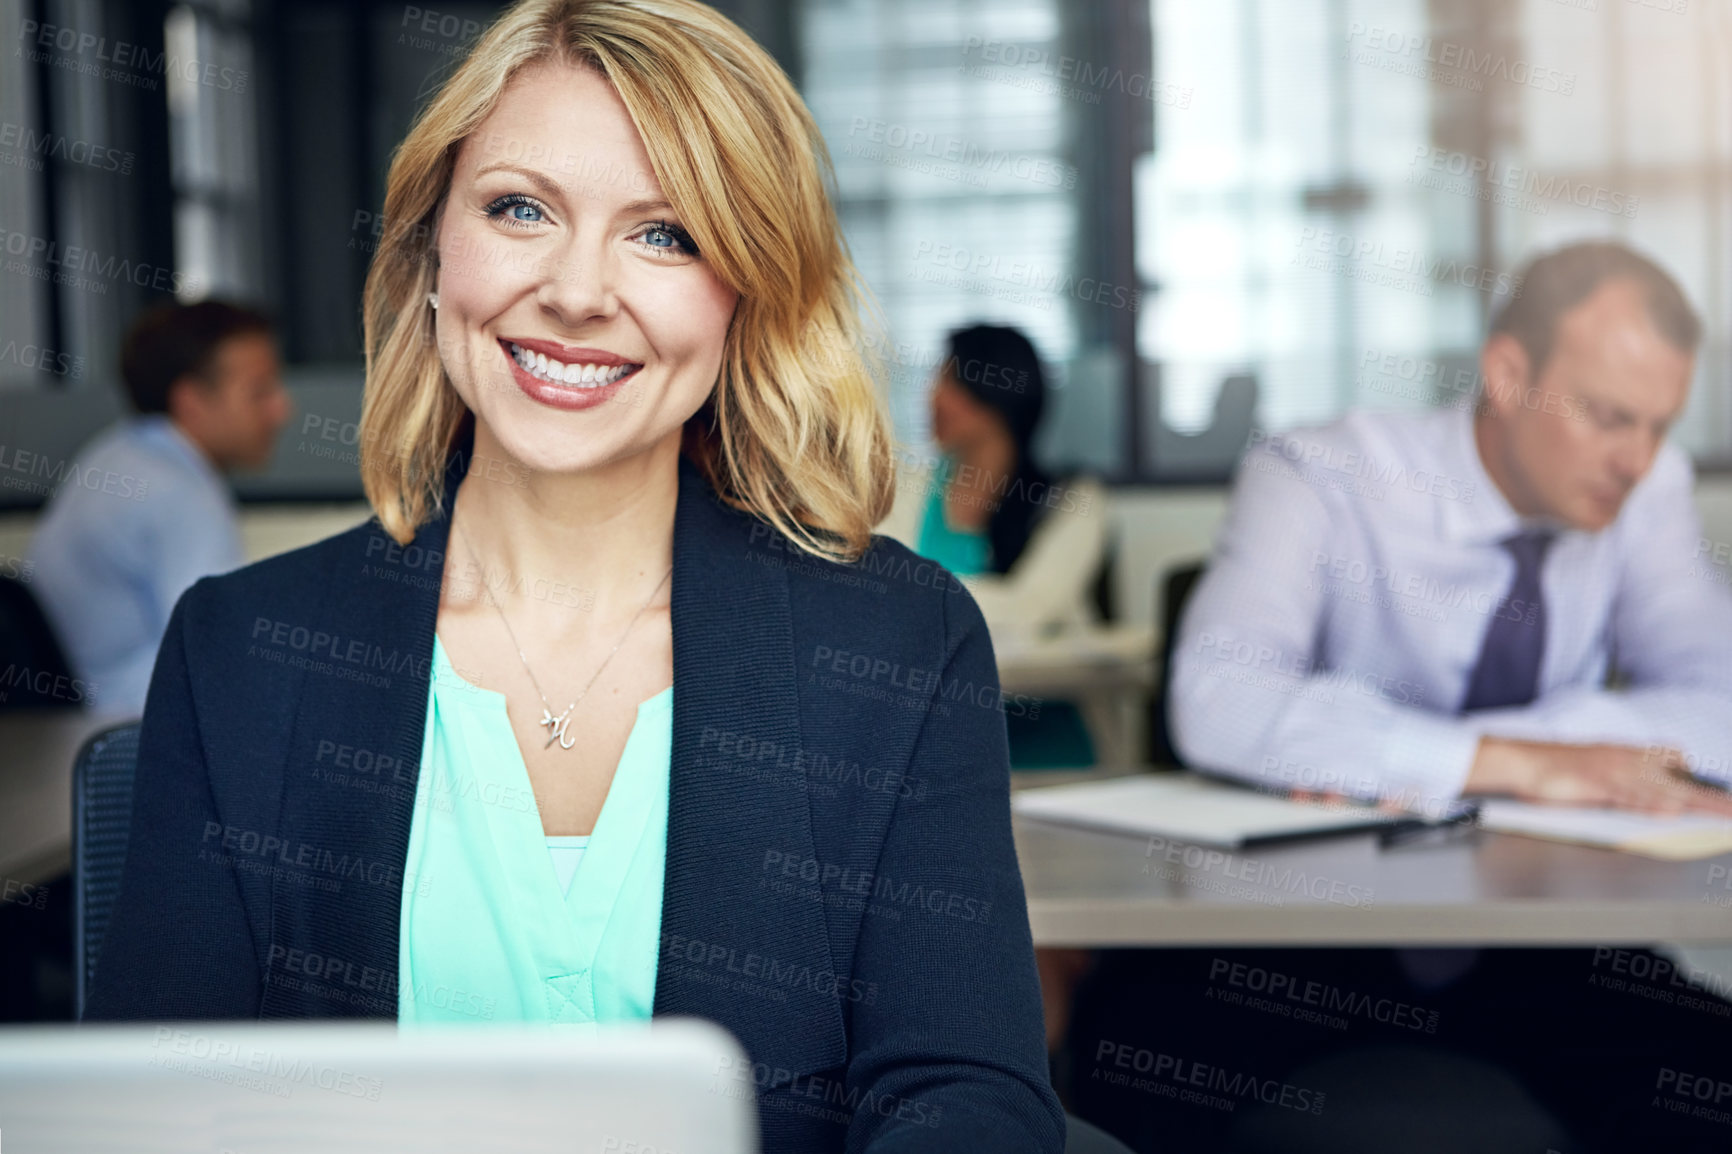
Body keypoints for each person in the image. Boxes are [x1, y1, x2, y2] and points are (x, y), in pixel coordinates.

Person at [83, 3, 1064, 1152]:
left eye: (666, 234)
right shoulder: (244, 647)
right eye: (518, 208)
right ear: (432, 251)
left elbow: (969, 1100)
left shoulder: (899, 644)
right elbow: (151, 1117)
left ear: (745, 290)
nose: (578, 289)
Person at [1171, 241, 1732, 818]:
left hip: (1551, 867)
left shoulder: (1652, 485)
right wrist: (1519, 764)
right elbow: (1220, 700)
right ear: (1509, 377)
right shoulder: (1319, 476)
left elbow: (1722, 700)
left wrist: (1404, 753)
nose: (1635, 460)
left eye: (1660, 427)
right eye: (1609, 418)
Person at [26, 300, 289, 716]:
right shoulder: (180, 493)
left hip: (69, 733)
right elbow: (221, 660)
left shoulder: (113, 455)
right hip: (127, 734)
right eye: (260, 392)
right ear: (191, 402)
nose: (281, 410)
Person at [878, 324, 1108, 767]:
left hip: (1045, 736)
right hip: (933, 738)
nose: (932, 399)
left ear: (993, 398)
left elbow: (1033, 607)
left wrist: (922, 599)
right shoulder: (905, 490)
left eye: (948, 382)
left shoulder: (1074, 500)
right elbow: (883, 596)